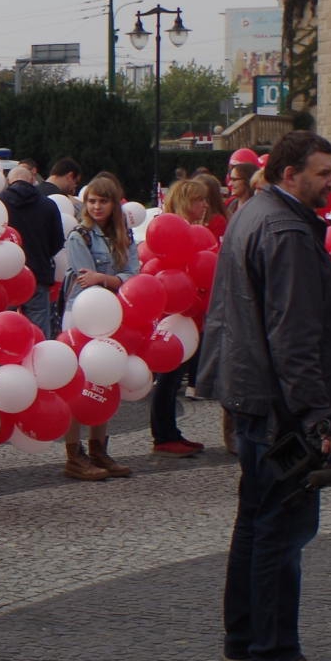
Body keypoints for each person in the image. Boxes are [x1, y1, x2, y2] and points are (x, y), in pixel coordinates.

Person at [194, 130, 331, 661]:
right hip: (280, 405)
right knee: (283, 531)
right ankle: (275, 653)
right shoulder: (284, 227)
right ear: (290, 175)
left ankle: (244, 639)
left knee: (257, 523)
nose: (330, 181)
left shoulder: (255, 212)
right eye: (321, 172)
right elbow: (294, 335)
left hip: (253, 392)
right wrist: (321, 419)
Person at [58, 172, 139, 481]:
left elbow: (134, 272)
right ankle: (73, 453)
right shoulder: (80, 235)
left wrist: (108, 279)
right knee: (77, 383)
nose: (96, 207)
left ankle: (98, 447)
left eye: (102, 201)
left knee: (106, 378)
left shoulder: (124, 234)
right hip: (82, 315)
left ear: (114, 204)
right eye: (91, 201)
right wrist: (115, 280)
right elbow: (85, 279)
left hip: (113, 315)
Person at [150, 176, 214, 456]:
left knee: (174, 378)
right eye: (199, 199)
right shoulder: (176, 231)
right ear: (187, 202)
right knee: (168, 377)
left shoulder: (192, 230)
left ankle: (171, 431)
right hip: (174, 314)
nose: (205, 204)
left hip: (188, 312)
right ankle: (163, 435)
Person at [0, 161, 67, 335]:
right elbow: (58, 242)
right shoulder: (48, 205)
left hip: (6, 277)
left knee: (3, 330)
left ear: (9, 181)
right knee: (38, 332)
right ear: (32, 181)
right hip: (38, 276)